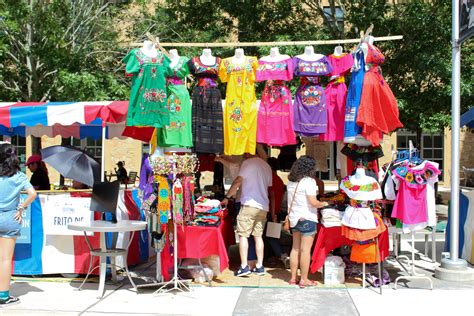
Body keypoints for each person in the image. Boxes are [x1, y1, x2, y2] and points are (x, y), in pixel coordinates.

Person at [221, 154, 272, 277]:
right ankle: (259, 266)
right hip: (263, 206)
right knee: (258, 236)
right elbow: (269, 187)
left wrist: (227, 197)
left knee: (243, 235)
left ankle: (244, 266)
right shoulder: (266, 166)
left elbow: (238, 181)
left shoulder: (248, 163)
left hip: (249, 204)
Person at [0, 143, 37, 306]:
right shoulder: (19, 176)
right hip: (10, 218)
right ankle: (3, 295)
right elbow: (32, 194)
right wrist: (22, 207)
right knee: (5, 259)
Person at [287, 156, 329, 288]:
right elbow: (313, 202)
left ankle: (293, 278)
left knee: (295, 248)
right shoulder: (309, 182)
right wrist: (325, 203)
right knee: (305, 250)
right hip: (307, 218)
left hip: (294, 219)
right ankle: (304, 279)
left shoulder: (291, 182)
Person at [266, 157, 290, 268]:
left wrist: (273, 214)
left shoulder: (271, 179)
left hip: (272, 211)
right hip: (276, 210)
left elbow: (273, 197)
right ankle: (275, 256)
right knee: (271, 236)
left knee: (271, 237)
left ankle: (283, 256)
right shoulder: (278, 179)